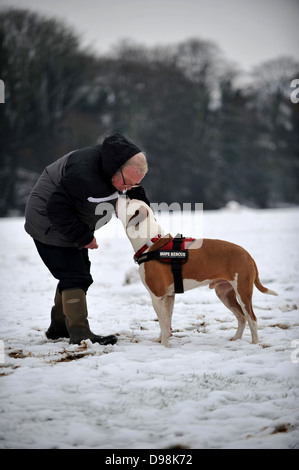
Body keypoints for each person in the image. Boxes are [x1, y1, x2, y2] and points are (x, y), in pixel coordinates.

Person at [24, 133, 150, 346]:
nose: (127, 189)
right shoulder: (83, 173)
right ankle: (80, 334)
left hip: (73, 219)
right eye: (126, 183)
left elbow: (136, 195)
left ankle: (59, 328)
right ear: (115, 168)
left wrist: (140, 212)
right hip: (48, 221)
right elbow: (56, 208)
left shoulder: (122, 170)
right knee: (75, 274)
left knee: (78, 270)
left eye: (133, 184)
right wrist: (83, 237)